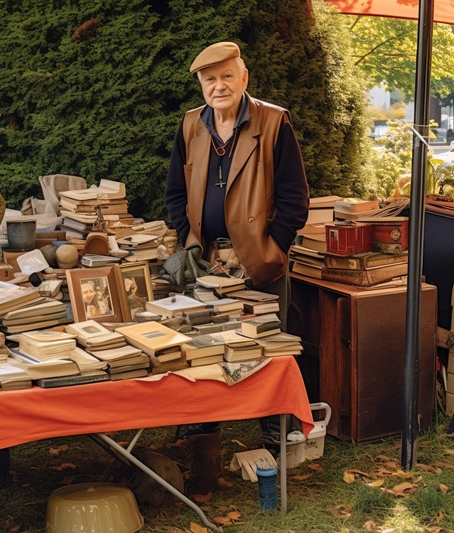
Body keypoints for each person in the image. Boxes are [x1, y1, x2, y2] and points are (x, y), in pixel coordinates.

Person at [164, 41, 310, 494]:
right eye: (210, 79)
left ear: (243, 78)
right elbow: (174, 189)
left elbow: (294, 199)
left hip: (257, 258)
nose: (218, 86)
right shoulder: (192, 124)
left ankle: (275, 434)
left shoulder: (272, 121)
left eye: (227, 76)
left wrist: (273, 248)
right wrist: (185, 238)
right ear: (202, 86)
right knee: (203, 347)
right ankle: (201, 435)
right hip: (205, 258)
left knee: (266, 347)